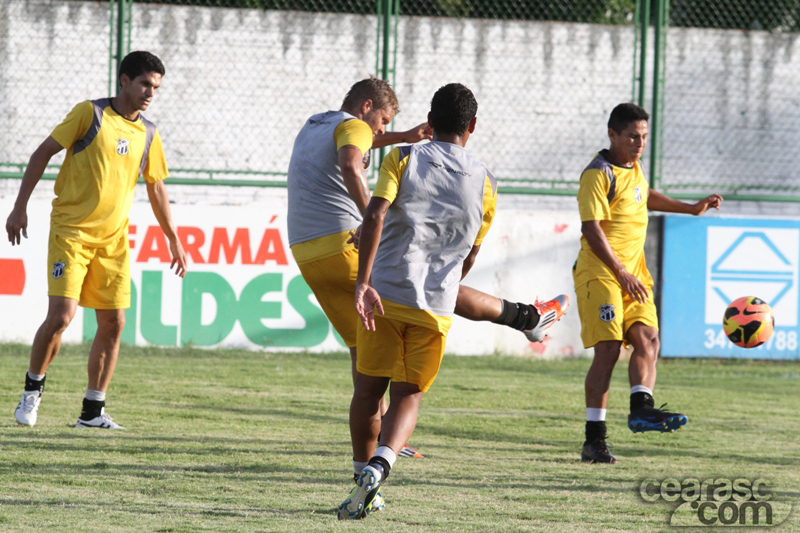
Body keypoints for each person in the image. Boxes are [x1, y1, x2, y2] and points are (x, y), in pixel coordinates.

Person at [337, 83, 569, 519]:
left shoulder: (403, 157)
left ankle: (360, 476)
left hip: (385, 293)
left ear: (431, 118)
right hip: (435, 305)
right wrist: (442, 286)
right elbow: (472, 254)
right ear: (472, 126)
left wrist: (363, 282)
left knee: (368, 391)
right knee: (409, 395)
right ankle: (381, 465)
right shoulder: (486, 182)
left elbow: (376, 213)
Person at [6, 51, 187, 430]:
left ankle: (92, 411)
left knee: (114, 323)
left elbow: (156, 188)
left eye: (155, 87)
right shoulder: (90, 113)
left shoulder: (148, 132)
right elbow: (43, 152)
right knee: (61, 317)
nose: (150, 92)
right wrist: (19, 206)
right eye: (144, 84)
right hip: (71, 233)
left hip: (113, 241)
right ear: (124, 80)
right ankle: (32, 391)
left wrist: (173, 239)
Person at [575, 103, 722, 463]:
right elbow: (591, 229)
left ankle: (641, 408)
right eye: (632, 137)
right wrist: (622, 273)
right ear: (613, 135)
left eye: (643, 137)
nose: (640, 143)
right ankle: (594, 440)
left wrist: (691, 208)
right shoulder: (597, 174)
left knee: (648, 338)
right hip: (601, 274)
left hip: (634, 275)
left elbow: (643, 195)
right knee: (608, 350)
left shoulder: (633, 167)